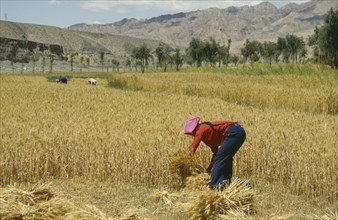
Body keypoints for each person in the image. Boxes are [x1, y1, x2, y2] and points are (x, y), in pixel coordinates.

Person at [183, 117, 246, 189]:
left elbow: (193, 147)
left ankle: (214, 186)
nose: (192, 135)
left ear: (193, 129)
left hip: (234, 132)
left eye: (191, 133)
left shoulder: (201, 129)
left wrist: (185, 160)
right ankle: (226, 183)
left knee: (221, 158)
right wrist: (209, 168)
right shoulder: (208, 136)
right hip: (238, 132)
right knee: (226, 158)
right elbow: (216, 153)